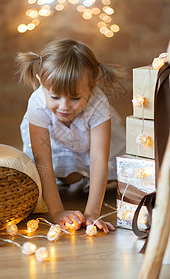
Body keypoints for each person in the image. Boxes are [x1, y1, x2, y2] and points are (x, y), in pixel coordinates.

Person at [17, 39, 125, 233]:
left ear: (92, 86)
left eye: (75, 98)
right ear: (41, 82)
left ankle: (84, 179)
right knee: (67, 178)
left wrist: (92, 213)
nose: (65, 107)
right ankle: (70, 177)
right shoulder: (38, 104)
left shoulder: (98, 103)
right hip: (56, 142)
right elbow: (43, 162)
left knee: (106, 176)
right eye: (55, 97)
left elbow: (99, 158)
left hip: (88, 141)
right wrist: (57, 212)